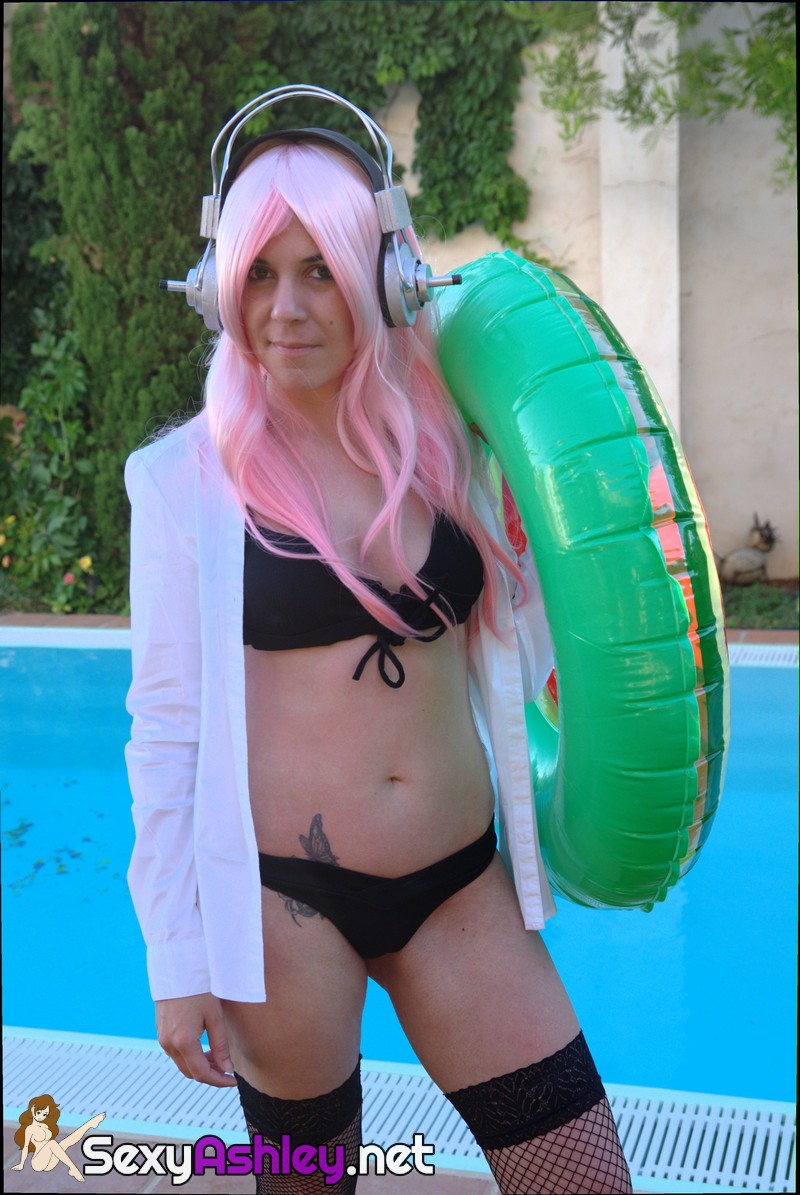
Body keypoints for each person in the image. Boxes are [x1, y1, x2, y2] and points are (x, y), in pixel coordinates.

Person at [125, 92, 633, 1195]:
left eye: (321, 270)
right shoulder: (180, 483)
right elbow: (163, 728)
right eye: (259, 273)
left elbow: (553, 621)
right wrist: (177, 956)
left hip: (459, 888)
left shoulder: (455, 437)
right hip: (284, 909)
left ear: (386, 277)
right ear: (217, 287)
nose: (287, 308)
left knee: (585, 1179)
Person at [12, 1095, 105, 1180]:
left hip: (49, 1162)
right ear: (33, 1109)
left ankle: (89, 1124)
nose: (41, 1116)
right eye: (39, 1112)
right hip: (38, 1163)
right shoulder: (30, 1128)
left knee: (64, 1143)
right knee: (52, 1143)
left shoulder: (45, 1126)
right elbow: (26, 1147)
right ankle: (73, 1168)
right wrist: (21, 1164)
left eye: (44, 1114)